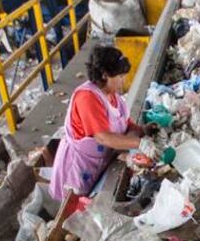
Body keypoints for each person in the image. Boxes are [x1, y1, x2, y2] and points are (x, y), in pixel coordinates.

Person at [49, 47, 142, 201]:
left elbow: (126, 125)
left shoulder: (113, 96)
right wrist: (141, 144)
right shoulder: (87, 97)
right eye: (119, 76)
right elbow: (103, 137)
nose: (123, 81)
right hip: (77, 169)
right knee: (72, 212)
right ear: (105, 75)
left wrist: (143, 129)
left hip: (96, 166)